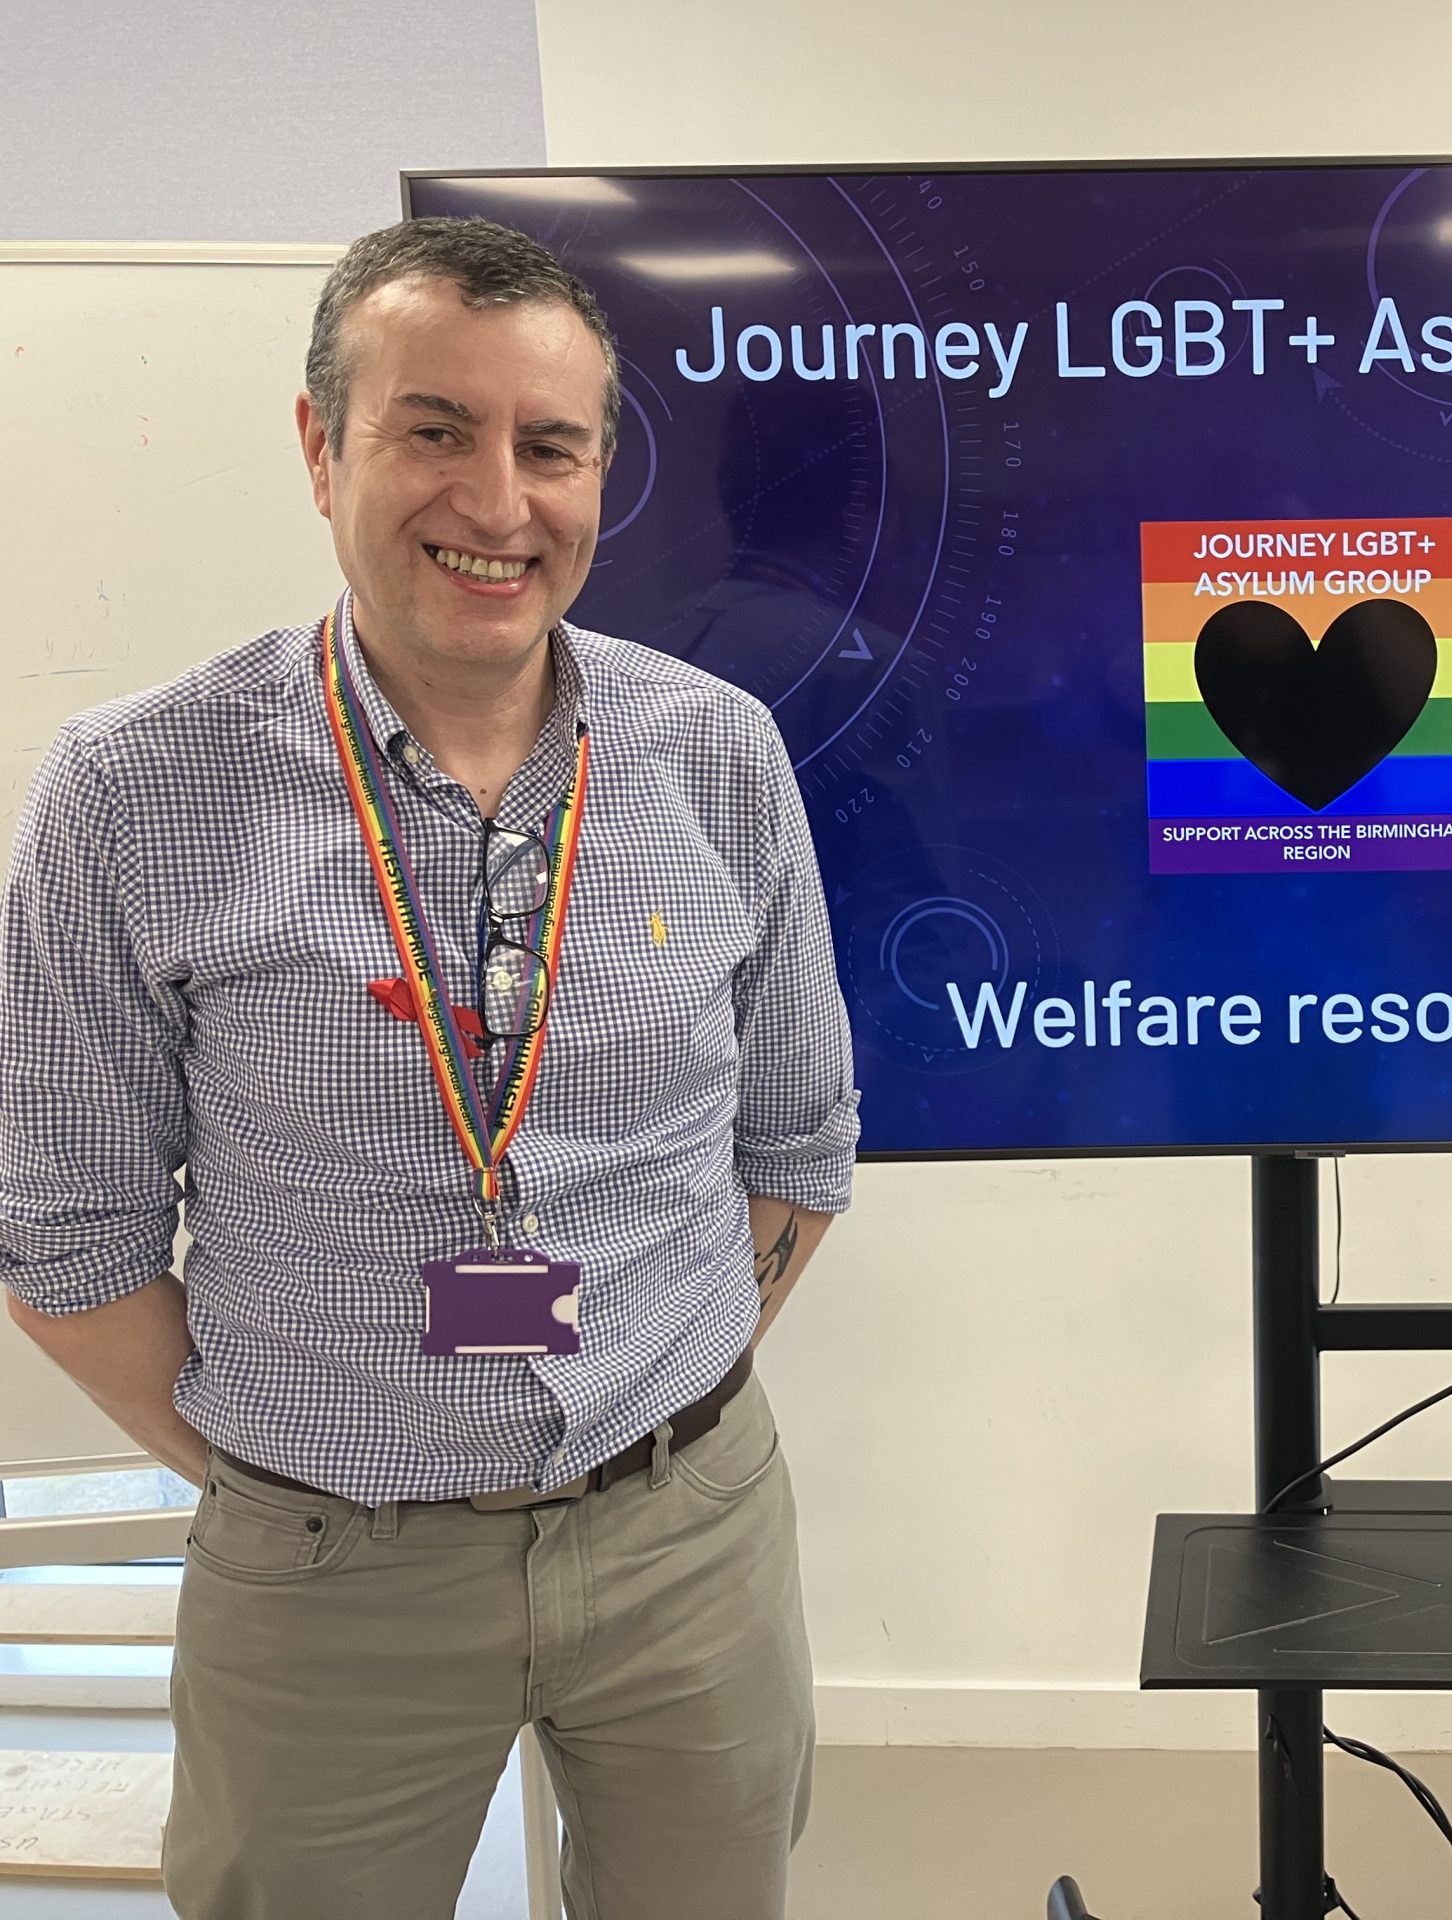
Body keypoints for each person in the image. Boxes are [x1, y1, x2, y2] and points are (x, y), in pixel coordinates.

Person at [0, 217, 859, 1919]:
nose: (498, 501)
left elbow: (796, 1140)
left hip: (685, 1535)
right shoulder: (129, 793)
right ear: (322, 446)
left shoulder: (717, 754)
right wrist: (315, 1462)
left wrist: (641, 1385)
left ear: (601, 472)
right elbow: (64, 1235)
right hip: (327, 1569)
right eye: (434, 430)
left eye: (549, 446)